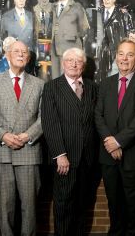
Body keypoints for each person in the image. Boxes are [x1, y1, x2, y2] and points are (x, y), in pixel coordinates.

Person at [95, 39, 135, 235]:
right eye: (121, 53)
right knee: (114, 205)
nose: (124, 58)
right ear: (115, 56)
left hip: (134, 157)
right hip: (109, 158)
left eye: (130, 55)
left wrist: (118, 141)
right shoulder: (105, 84)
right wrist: (110, 143)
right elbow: (98, 115)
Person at [0, 41, 44, 236]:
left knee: (30, 208)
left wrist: (28, 135)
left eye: (24, 52)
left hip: (29, 152)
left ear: (28, 58)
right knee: (5, 208)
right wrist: (3, 135)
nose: (20, 54)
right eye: (16, 51)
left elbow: (44, 118)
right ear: (7, 55)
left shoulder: (39, 84)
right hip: (3, 152)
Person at [41, 47, 98, 236]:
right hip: (64, 159)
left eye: (78, 61)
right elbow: (50, 123)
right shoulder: (52, 87)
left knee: (83, 205)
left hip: (88, 159)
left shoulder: (92, 87)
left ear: (84, 65)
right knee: (64, 205)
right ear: (63, 63)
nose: (74, 64)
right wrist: (60, 154)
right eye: (70, 60)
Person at [51, 0, 89, 80]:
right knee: (56, 77)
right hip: (55, 47)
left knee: (70, 78)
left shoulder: (77, 7)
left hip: (70, 47)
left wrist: (71, 36)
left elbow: (84, 28)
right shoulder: (53, 6)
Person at [97, 0, 133, 82]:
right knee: (103, 78)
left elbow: (130, 33)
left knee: (116, 77)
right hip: (102, 52)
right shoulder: (98, 12)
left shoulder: (122, 14)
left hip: (118, 51)